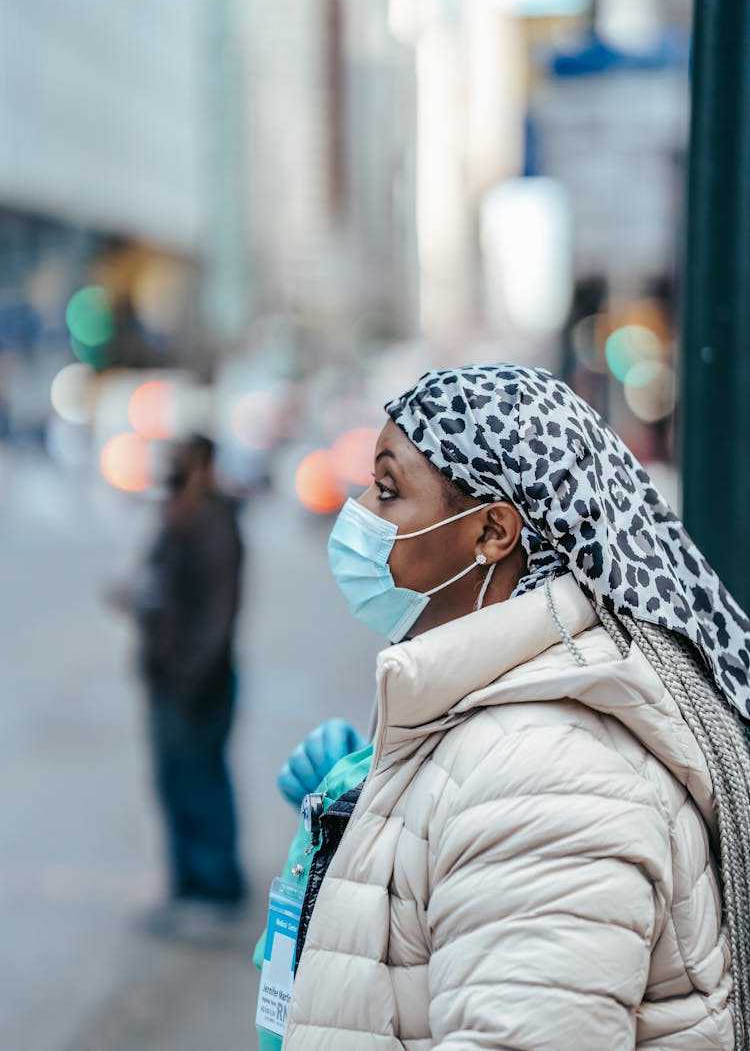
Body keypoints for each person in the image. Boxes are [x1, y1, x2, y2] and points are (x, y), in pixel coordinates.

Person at [271, 364, 750, 1049]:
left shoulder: (546, 775)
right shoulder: (506, 727)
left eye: (387, 490)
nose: (359, 514)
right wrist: (365, 829)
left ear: (494, 532)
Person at [114, 434, 246, 935]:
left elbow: (219, 614)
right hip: (168, 678)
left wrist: (193, 677)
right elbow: (158, 582)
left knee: (201, 784)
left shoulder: (216, 523)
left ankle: (215, 890)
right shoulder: (177, 519)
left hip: (199, 685)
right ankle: (187, 887)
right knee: (173, 785)